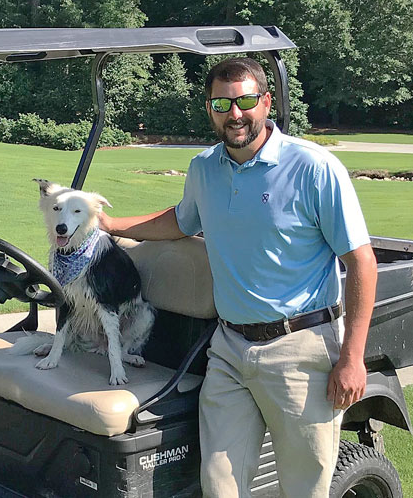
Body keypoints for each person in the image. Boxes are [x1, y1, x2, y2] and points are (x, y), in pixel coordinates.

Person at [99, 57, 377, 498]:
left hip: (300, 347)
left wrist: (352, 357)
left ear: (266, 102)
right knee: (220, 485)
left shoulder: (312, 167)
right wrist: (112, 226)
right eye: (222, 103)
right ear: (209, 108)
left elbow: (361, 261)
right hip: (229, 348)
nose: (235, 113)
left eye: (246, 100)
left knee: (304, 488)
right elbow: (181, 221)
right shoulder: (205, 168)